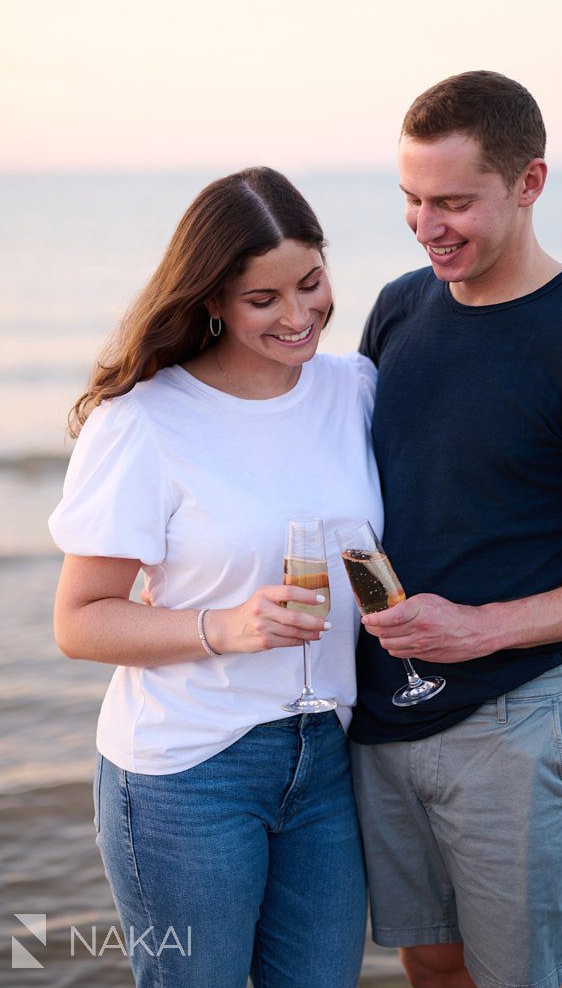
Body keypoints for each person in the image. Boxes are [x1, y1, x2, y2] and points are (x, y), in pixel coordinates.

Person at [348, 71, 562, 988]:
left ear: (529, 183)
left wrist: (481, 627)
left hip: (513, 719)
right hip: (382, 709)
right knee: (429, 965)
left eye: (455, 203)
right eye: (412, 201)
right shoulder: (399, 307)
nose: (428, 227)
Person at [48, 167, 380, 988]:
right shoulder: (144, 422)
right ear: (213, 302)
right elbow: (81, 620)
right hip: (188, 771)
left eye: (310, 283)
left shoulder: (356, 389)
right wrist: (226, 627)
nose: (299, 315)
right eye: (263, 299)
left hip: (328, 756)